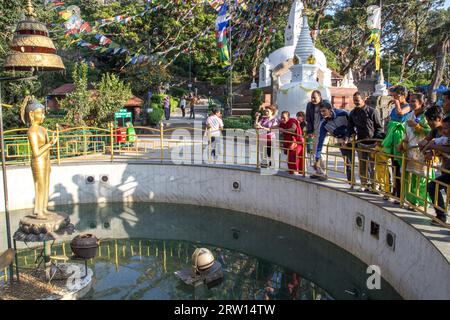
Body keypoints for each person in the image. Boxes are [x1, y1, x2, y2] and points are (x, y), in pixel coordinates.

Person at [398, 93, 432, 210]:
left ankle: (422, 203)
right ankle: (412, 201)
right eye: (410, 101)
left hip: (422, 152)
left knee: (421, 179)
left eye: (414, 101)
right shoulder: (409, 116)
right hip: (410, 151)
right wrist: (402, 143)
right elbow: (406, 133)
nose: (411, 103)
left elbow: (431, 132)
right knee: (410, 178)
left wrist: (417, 126)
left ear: (421, 103)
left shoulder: (426, 117)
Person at [346, 92, 383, 191]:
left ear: (363, 100)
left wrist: (376, 140)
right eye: (354, 100)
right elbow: (350, 127)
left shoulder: (372, 111)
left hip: (373, 143)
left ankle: (375, 185)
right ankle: (364, 184)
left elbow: (379, 127)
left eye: (357, 100)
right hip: (361, 142)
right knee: (362, 165)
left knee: (373, 165)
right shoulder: (353, 113)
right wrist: (349, 136)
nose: (356, 102)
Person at [381, 85, 412, 200]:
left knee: (400, 167)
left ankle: (401, 193)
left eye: (396, 96)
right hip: (392, 139)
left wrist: (397, 103)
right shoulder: (394, 108)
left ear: (403, 95)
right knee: (394, 166)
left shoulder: (407, 106)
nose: (394, 98)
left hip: (401, 139)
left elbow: (400, 114)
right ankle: (395, 190)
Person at [314, 104, 351, 183]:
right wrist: (317, 158)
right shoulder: (324, 124)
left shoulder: (342, 113)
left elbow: (352, 124)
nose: (322, 113)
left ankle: (367, 184)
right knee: (348, 162)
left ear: (330, 109)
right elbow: (320, 142)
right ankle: (352, 183)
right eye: (321, 112)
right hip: (342, 141)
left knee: (363, 161)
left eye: (324, 111)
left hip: (354, 137)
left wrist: (348, 136)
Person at [424, 116, 450, 224]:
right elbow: (432, 142)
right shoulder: (446, 138)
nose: (443, 131)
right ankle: (441, 216)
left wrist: (435, 147)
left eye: (446, 128)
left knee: (433, 186)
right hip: (447, 170)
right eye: (443, 128)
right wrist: (428, 150)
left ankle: (441, 216)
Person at [305, 90, 332, 178]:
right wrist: (309, 131)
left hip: (325, 131)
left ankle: (323, 173)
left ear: (320, 97)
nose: (313, 99)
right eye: (312, 97)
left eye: (315, 97)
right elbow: (308, 119)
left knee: (321, 151)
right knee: (314, 152)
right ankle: (317, 171)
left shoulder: (326, 104)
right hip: (315, 131)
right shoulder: (309, 105)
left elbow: (331, 116)